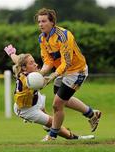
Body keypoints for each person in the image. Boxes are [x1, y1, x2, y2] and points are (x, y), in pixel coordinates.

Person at [34, 8, 101, 141]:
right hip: (62, 71)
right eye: (39, 22)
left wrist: (52, 76)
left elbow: (67, 62)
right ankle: (91, 113)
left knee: (57, 104)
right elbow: (48, 61)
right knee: (64, 100)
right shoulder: (42, 38)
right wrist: (40, 74)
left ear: (52, 22)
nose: (41, 24)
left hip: (77, 71)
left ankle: (52, 136)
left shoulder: (64, 35)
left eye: (44, 21)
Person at [4, 44, 95, 141]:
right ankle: (75, 138)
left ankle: (50, 128)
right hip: (27, 110)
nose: (36, 64)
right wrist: (56, 74)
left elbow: (17, 60)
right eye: (31, 63)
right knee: (54, 123)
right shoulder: (31, 79)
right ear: (24, 68)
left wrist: (12, 53)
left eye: (34, 61)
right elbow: (41, 80)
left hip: (34, 99)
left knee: (53, 122)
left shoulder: (25, 70)